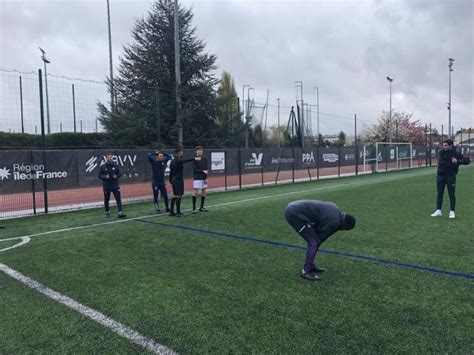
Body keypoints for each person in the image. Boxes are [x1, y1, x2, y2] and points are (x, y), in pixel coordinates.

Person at [284, 200, 356, 281]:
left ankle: (310, 265)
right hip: (294, 214)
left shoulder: (335, 208)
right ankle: (305, 271)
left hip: (294, 207)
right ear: (344, 226)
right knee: (314, 243)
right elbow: (321, 238)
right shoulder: (334, 222)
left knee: (313, 241)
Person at [431, 139, 470, 219]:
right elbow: (442, 163)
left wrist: (457, 161)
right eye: (443, 145)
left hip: (451, 176)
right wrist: (452, 163)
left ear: (450, 145)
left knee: (451, 194)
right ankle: (438, 210)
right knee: (439, 193)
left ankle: (452, 211)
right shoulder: (441, 152)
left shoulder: (456, 153)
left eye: (445, 145)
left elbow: (467, 161)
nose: (444, 147)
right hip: (440, 176)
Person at [168, 148, 197, 217]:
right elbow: (184, 161)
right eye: (181, 152)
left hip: (174, 179)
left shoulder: (172, 161)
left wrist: (170, 180)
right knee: (179, 195)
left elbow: (171, 172)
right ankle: (178, 212)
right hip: (178, 180)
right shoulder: (177, 159)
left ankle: (171, 212)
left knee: (175, 195)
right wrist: (194, 158)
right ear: (178, 153)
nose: (182, 153)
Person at [98, 153, 126, 218]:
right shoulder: (103, 166)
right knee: (106, 200)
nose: (109, 158)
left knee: (118, 199)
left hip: (115, 186)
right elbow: (99, 175)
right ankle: (107, 212)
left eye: (110, 157)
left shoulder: (116, 166)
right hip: (107, 186)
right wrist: (105, 177)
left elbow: (119, 173)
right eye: (108, 157)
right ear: (106, 158)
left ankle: (120, 212)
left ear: (112, 158)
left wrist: (116, 176)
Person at [192, 146, 209, 213]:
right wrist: (202, 171)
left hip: (203, 178)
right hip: (197, 177)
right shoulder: (195, 159)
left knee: (204, 192)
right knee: (195, 192)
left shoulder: (205, 159)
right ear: (196, 151)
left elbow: (206, 169)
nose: (200, 151)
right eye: (198, 150)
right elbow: (194, 169)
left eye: (201, 150)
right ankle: (194, 208)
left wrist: (206, 178)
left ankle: (201, 207)